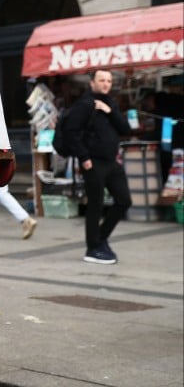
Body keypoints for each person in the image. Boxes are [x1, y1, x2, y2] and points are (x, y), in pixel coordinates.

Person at [62, 69, 132, 264]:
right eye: (101, 80)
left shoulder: (110, 103)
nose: (106, 84)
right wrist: (84, 157)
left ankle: (100, 239)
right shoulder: (84, 104)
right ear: (92, 82)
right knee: (96, 204)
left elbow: (125, 129)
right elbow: (71, 132)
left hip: (111, 162)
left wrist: (109, 111)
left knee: (124, 200)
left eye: (109, 80)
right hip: (93, 162)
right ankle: (93, 248)